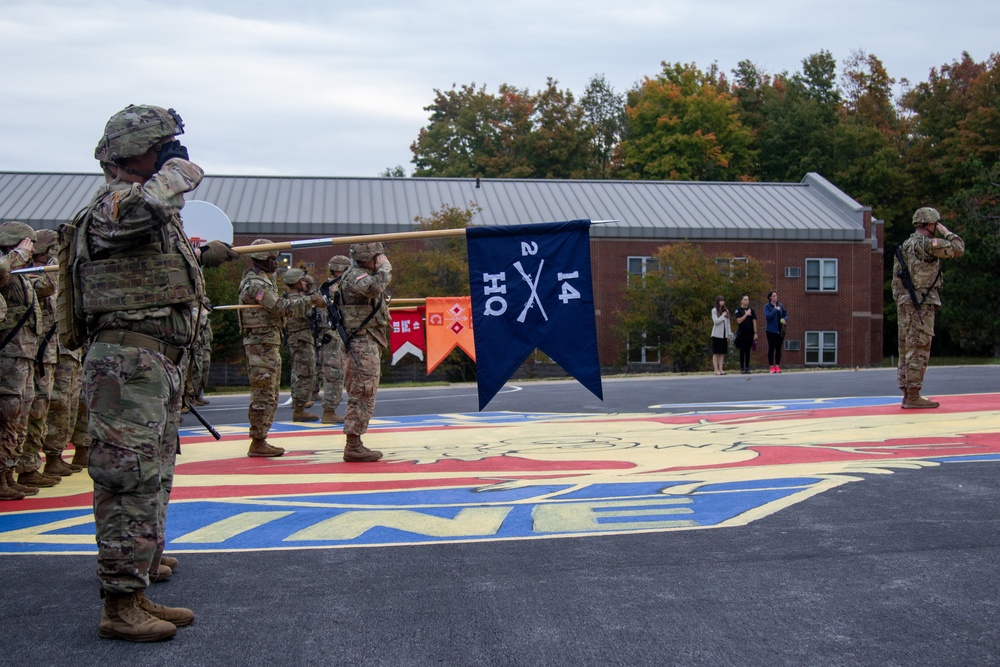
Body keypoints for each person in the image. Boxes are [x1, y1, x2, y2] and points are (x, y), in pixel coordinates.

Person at [79, 104, 240, 641]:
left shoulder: (149, 209)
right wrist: (178, 172)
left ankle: (137, 588)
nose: (170, 155)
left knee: (150, 478)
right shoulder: (112, 206)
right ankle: (119, 606)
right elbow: (137, 209)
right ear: (134, 152)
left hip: (148, 365)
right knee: (127, 482)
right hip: (125, 366)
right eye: (161, 147)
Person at [238, 241, 326, 456]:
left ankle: (261, 438)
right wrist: (310, 301)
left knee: (270, 393)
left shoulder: (264, 281)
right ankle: (258, 441)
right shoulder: (255, 285)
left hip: (267, 343)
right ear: (261, 258)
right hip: (260, 345)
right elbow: (279, 308)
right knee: (263, 393)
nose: (276, 262)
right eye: (272, 258)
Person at [892, 206, 965, 409]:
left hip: (905, 301)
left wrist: (900, 301)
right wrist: (947, 232)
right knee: (919, 346)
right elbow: (958, 248)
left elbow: (896, 281)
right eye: (936, 223)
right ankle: (914, 394)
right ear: (931, 224)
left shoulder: (905, 246)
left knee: (905, 347)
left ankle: (907, 392)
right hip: (921, 302)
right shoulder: (928, 244)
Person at [19, 228, 66, 486]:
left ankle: (30, 464)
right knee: (32, 411)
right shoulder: (24, 277)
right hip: (32, 354)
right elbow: (48, 285)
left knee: (42, 409)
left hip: (44, 353)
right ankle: (25, 465)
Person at [337, 242, 391, 462]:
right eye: (378, 256)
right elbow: (373, 288)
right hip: (360, 344)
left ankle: (355, 442)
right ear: (369, 257)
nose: (381, 260)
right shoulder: (356, 276)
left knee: (363, 392)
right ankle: (353, 445)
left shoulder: (358, 274)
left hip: (364, 342)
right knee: (362, 392)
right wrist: (385, 269)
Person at [0, 224, 40, 501]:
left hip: (23, 355)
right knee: (8, 414)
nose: (32, 249)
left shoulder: (18, 274)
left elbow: (47, 286)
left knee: (20, 416)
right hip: (8, 356)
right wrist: (18, 255)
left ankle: (7, 474)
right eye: (29, 243)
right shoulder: (8, 268)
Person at [282, 267, 320, 422]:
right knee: (306, 373)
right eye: (302, 280)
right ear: (296, 282)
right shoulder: (294, 299)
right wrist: (313, 298)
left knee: (307, 372)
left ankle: (300, 406)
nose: (305, 283)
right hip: (300, 339)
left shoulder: (299, 298)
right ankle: (299, 409)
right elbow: (303, 308)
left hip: (303, 338)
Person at [318, 255, 351, 424]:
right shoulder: (333, 288)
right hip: (332, 336)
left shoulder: (326, 287)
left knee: (335, 374)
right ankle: (329, 411)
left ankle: (331, 409)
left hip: (331, 336)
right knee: (334, 374)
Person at [763, 290, 788, 374]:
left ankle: (777, 365)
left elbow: (785, 314)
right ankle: (771, 366)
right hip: (771, 330)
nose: (775, 297)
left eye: (776, 296)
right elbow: (768, 316)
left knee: (778, 348)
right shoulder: (767, 306)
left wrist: (785, 319)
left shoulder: (780, 305)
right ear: (770, 297)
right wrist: (774, 310)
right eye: (773, 296)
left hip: (780, 330)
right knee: (771, 348)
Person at [733, 294, 758, 375]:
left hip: (749, 333)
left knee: (748, 351)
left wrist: (755, 333)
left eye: (747, 299)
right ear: (741, 301)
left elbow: (754, 321)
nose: (746, 301)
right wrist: (746, 314)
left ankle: (747, 367)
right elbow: (739, 321)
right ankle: (742, 367)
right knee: (742, 351)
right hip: (742, 333)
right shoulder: (738, 310)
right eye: (745, 299)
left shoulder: (751, 310)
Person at [710, 295, 731, 375]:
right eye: (720, 301)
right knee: (716, 352)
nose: (722, 302)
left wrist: (729, 334)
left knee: (722, 353)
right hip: (716, 334)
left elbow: (728, 323)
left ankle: (721, 369)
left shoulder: (726, 311)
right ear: (718, 302)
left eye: (723, 300)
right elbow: (716, 321)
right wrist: (722, 316)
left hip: (724, 335)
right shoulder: (714, 310)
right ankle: (716, 369)